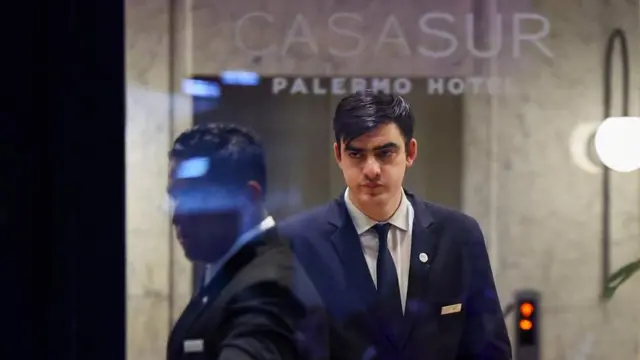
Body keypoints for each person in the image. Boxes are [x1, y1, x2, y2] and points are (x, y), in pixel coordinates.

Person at [280, 90, 512, 360]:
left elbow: (489, 349)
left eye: (385, 153)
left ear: (410, 152)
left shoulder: (458, 236)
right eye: (356, 154)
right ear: (338, 155)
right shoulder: (297, 242)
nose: (371, 170)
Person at [165, 123, 327, 360]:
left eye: (195, 198)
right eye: (176, 198)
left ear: (248, 197)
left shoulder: (269, 287)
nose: (177, 217)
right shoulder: (231, 271)